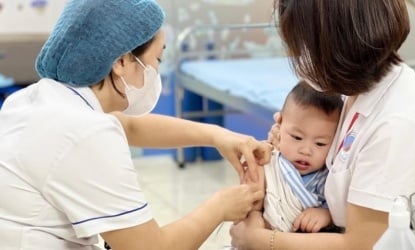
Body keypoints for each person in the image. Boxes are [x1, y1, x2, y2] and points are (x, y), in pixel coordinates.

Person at [0, 1, 272, 249]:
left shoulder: (36, 99)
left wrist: (218, 136)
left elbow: (130, 127)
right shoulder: (85, 132)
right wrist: (220, 207)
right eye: (157, 59)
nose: (155, 70)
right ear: (121, 61)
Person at [230, 1, 415, 250]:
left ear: (338, 47)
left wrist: (260, 240)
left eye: (304, 45)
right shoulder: (356, 88)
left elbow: (361, 244)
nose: (297, 56)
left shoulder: (396, 126)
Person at [251, 80, 343, 233]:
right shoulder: (268, 162)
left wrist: (327, 214)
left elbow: (343, 212)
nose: (306, 150)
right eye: (297, 137)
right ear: (279, 124)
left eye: (320, 143)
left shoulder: (328, 179)